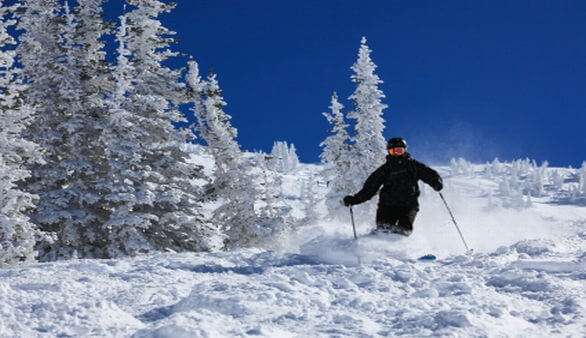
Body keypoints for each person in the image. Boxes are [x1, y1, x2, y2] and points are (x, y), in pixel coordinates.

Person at [343, 137, 443, 236]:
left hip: (409, 205)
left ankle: (399, 248)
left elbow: (429, 174)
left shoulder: (413, 165)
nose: (398, 153)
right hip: (387, 206)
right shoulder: (385, 169)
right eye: (396, 150)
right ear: (390, 151)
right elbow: (370, 188)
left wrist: (436, 182)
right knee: (384, 229)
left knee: (404, 229)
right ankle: (376, 247)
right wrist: (354, 199)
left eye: (401, 150)